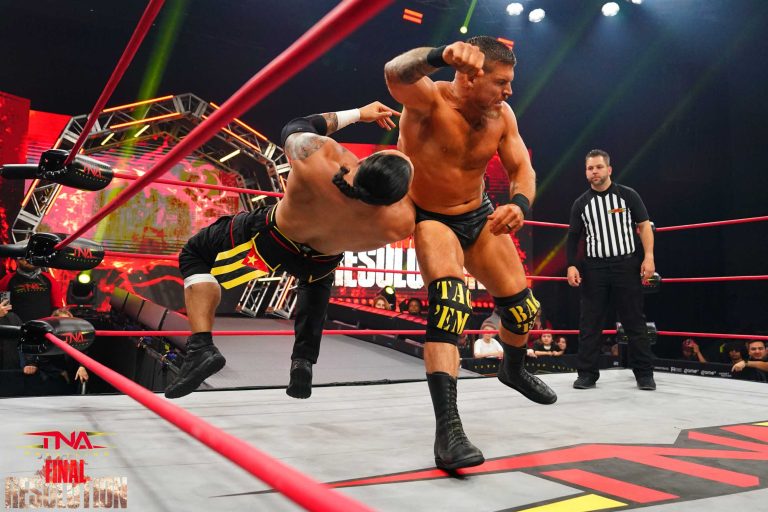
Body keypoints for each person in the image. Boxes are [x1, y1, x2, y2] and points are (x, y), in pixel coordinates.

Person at [385, 36, 556, 471]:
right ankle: (448, 431)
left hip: (479, 215)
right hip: (431, 216)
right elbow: (394, 73)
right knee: (449, 305)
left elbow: (522, 168)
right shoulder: (430, 101)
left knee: (523, 310)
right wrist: (438, 55)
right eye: (501, 82)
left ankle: (512, 368)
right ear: (470, 75)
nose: (509, 91)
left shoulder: (502, 115)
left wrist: (520, 204)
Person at [167, 101, 415, 400]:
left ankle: (201, 347)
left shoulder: (318, 163)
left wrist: (359, 114)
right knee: (317, 284)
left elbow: (297, 125)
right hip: (320, 260)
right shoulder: (398, 223)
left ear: (362, 163)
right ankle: (303, 363)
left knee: (195, 253)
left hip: (273, 239)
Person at [566, 149, 656, 391]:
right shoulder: (581, 203)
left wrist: (649, 256)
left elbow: (644, 226)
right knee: (590, 323)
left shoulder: (627, 195)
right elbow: (572, 237)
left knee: (634, 320)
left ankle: (644, 374)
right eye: (590, 168)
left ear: (609, 169)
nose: (594, 171)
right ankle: (586, 374)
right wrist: (571, 264)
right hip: (594, 268)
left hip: (625, 265)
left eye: (598, 167)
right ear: (586, 172)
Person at [0, 258, 64, 322]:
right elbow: (3, 307)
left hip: (45, 325)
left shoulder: (49, 279)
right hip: (18, 326)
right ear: (16, 261)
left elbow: (57, 306)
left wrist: (58, 315)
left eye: (31, 258)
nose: (28, 261)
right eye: (23, 259)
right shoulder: (7, 280)